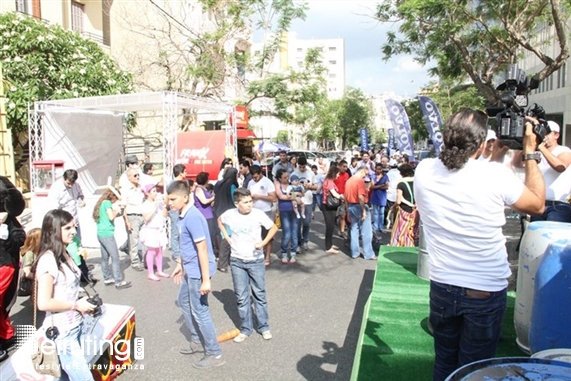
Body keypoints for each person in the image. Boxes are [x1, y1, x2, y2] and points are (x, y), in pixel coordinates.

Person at [414, 109, 545, 381]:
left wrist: (492, 156)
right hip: (483, 290)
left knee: (445, 363)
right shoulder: (494, 175)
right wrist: (531, 151)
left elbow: (466, 173)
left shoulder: (424, 169)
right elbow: (538, 204)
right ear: (483, 143)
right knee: (477, 369)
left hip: (442, 286)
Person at [166, 181, 225, 369]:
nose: (170, 203)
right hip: (189, 269)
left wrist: (205, 280)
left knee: (201, 311)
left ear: (184, 197)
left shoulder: (192, 217)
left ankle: (214, 353)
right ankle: (198, 341)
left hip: (198, 272)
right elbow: (188, 246)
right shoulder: (182, 215)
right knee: (183, 301)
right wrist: (179, 264)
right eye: (169, 199)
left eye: (173, 199)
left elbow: (202, 248)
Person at [33, 209, 97, 380]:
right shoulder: (48, 260)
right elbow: (44, 303)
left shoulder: (64, 252)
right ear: (53, 230)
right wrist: (76, 305)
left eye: (74, 226)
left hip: (75, 325)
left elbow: (67, 289)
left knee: (64, 377)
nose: (74, 231)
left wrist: (82, 302)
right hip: (62, 332)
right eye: (67, 228)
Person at [218, 188, 278, 342]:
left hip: (255, 261)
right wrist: (227, 236)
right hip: (237, 260)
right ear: (236, 203)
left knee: (259, 294)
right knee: (241, 296)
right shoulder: (230, 214)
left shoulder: (258, 214)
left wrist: (263, 243)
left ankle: (264, 326)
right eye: (245, 202)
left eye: (250, 201)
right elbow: (219, 221)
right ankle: (246, 328)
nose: (249, 205)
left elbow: (273, 227)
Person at [513, 120, 571, 222]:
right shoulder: (535, 152)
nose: (544, 135)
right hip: (538, 204)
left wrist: (540, 146)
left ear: (556, 135)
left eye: (547, 133)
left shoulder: (564, 150)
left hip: (558, 205)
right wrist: (526, 144)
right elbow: (517, 163)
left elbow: (560, 167)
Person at [0, 176, 26, 361]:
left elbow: (18, 238)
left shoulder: (6, 218)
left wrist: (2, 225)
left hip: (4, 263)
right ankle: (7, 335)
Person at [93, 189, 131, 289]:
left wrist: (121, 210)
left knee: (105, 257)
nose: (115, 201)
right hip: (107, 234)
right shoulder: (107, 203)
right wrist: (117, 210)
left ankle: (107, 278)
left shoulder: (102, 203)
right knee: (115, 257)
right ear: (113, 196)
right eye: (116, 199)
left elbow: (111, 216)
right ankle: (118, 281)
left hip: (101, 233)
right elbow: (111, 217)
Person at [344, 166, 377, 260]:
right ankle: (368, 253)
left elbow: (345, 198)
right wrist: (363, 211)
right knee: (366, 231)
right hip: (359, 206)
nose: (365, 177)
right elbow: (360, 197)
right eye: (365, 174)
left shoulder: (349, 181)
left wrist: (347, 211)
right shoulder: (359, 181)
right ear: (362, 171)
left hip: (350, 206)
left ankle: (355, 253)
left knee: (354, 230)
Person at [247, 165, 277, 266]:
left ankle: (267, 257)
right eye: (253, 177)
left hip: (265, 211)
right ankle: (256, 255)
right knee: (254, 235)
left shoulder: (267, 182)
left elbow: (273, 198)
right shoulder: (250, 182)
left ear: (260, 173)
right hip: (253, 212)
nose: (254, 179)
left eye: (256, 177)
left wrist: (259, 196)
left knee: (267, 236)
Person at [47, 169, 86, 241]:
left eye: (72, 183)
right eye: (68, 183)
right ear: (63, 178)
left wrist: (81, 200)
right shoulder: (56, 188)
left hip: (74, 221)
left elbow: (80, 194)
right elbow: (54, 209)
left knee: (77, 243)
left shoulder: (76, 185)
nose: (71, 186)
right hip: (63, 223)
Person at [141, 184, 169, 282]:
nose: (156, 193)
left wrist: (164, 206)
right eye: (153, 191)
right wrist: (155, 207)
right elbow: (146, 218)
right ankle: (150, 273)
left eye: (156, 191)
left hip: (160, 229)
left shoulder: (158, 203)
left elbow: (164, 215)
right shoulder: (145, 204)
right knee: (151, 251)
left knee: (160, 250)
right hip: (151, 230)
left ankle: (159, 270)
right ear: (148, 193)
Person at [213, 168, 239, 273]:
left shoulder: (219, 184)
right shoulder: (232, 185)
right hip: (229, 212)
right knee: (227, 237)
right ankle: (223, 263)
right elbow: (234, 199)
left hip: (219, 210)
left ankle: (223, 261)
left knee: (223, 234)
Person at [122, 167, 147, 271]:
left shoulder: (142, 188)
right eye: (135, 175)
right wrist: (127, 221)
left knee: (146, 239)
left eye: (138, 175)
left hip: (143, 215)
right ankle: (135, 262)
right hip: (132, 216)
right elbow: (123, 207)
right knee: (134, 240)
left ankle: (146, 261)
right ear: (129, 178)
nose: (137, 177)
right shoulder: (125, 190)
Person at [274, 169, 299, 263]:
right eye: (284, 177)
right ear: (279, 178)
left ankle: (293, 252)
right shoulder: (278, 185)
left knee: (294, 233)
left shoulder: (292, 184)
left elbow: (299, 193)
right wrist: (293, 196)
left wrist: (291, 196)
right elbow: (281, 196)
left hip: (294, 210)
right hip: (284, 211)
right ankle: (284, 252)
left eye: (288, 177)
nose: (287, 179)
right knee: (287, 233)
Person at [292, 157, 317, 252]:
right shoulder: (294, 173)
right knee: (298, 224)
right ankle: (298, 243)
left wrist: (309, 186)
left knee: (306, 223)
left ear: (306, 165)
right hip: (298, 201)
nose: (302, 169)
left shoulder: (310, 173)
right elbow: (290, 188)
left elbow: (316, 186)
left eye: (303, 167)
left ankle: (305, 240)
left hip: (308, 201)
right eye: (300, 167)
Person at [389, 164, 418, 247]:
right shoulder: (416, 182)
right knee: (412, 229)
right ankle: (411, 244)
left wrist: (393, 207)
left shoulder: (401, 184)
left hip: (404, 210)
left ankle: (400, 245)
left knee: (400, 229)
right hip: (415, 210)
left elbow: (398, 200)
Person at [194, 172, 217, 259]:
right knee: (208, 235)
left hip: (208, 213)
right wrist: (213, 198)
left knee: (210, 234)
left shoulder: (203, 189)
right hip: (204, 215)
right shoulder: (199, 189)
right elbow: (204, 201)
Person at [169, 164, 187, 262]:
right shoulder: (173, 184)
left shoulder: (181, 183)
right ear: (180, 173)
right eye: (185, 171)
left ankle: (180, 251)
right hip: (175, 211)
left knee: (181, 232)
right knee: (175, 232)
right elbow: (167, 199)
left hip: (181, 211)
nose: (186, 174)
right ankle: (176, 254)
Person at [322, 166, 342, 254]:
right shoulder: (330, 182)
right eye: (337, 174)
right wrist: (342, 197)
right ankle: (328, 247)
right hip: (329, 206)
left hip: (326, 205)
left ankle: (329, 244)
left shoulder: (327, 180)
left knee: (331, 226)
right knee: (330, 226)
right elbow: (335, 194)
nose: (338, 176)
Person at [371, 163, 389, 233]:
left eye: (380, 169)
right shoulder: (373, 176)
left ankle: (380, 227)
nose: (378, 171)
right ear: (375, 169)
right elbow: (372, 187)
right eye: (377, 169)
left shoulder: (385, 176)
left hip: (382, 197)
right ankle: (375, 226)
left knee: (381, 213)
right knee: (375, 212)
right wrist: (382, 185)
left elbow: (387, 187)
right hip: (375, 196)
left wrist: (377, 186)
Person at [334, 160, 350, 238]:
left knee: (343, 215)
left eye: (346, 167)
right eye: (343, 166)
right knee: (334, 215)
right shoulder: (335, 175)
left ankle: (342, 231)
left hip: (344, 198)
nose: (345, 168)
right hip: (334, 197)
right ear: (339, 166)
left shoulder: (347, 175)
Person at [385, 163, 402, 228]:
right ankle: (395, 223)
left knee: (389, 209)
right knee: (396, 210)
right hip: (397, 193)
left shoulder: (388, 173)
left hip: (389, 193)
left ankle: (388, 222)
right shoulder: (400, 174)